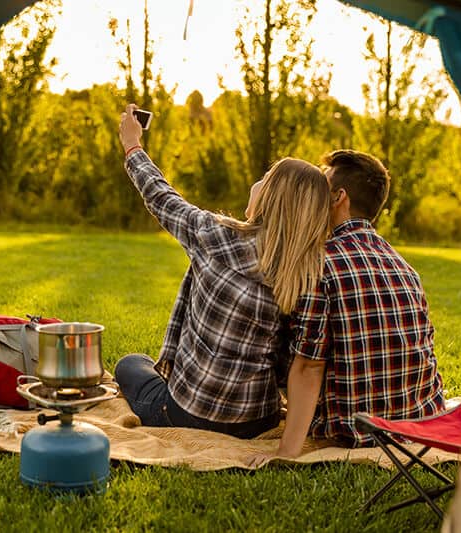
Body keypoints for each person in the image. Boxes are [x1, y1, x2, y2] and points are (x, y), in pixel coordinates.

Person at [113, 104, 331, 439]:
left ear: (270, 197)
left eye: (264, 180)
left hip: (189, 413)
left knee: (131, 364)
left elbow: (159, 195)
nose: (256, 184)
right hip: (259, 421)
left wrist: (132, 145)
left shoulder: (214, 236)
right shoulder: (307, 273)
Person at [247, 149, 445, 464]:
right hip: (416, 421)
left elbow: (309, 367)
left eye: (321, 191)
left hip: (355, 431)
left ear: (339, 198)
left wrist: (287, 453)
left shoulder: (320, 265)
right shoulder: (406, 267)